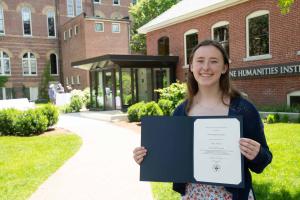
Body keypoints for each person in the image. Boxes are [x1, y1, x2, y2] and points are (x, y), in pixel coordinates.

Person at [133, 40, 272, 200]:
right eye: (200, 61)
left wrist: (257, 154)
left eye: (214, 61)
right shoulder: (181, 112)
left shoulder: (243, 109)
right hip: (193, 196)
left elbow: (263, 161)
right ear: (191, 67)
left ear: (224, 67)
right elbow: (172, 157)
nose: (206, 67)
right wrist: (148, 158)